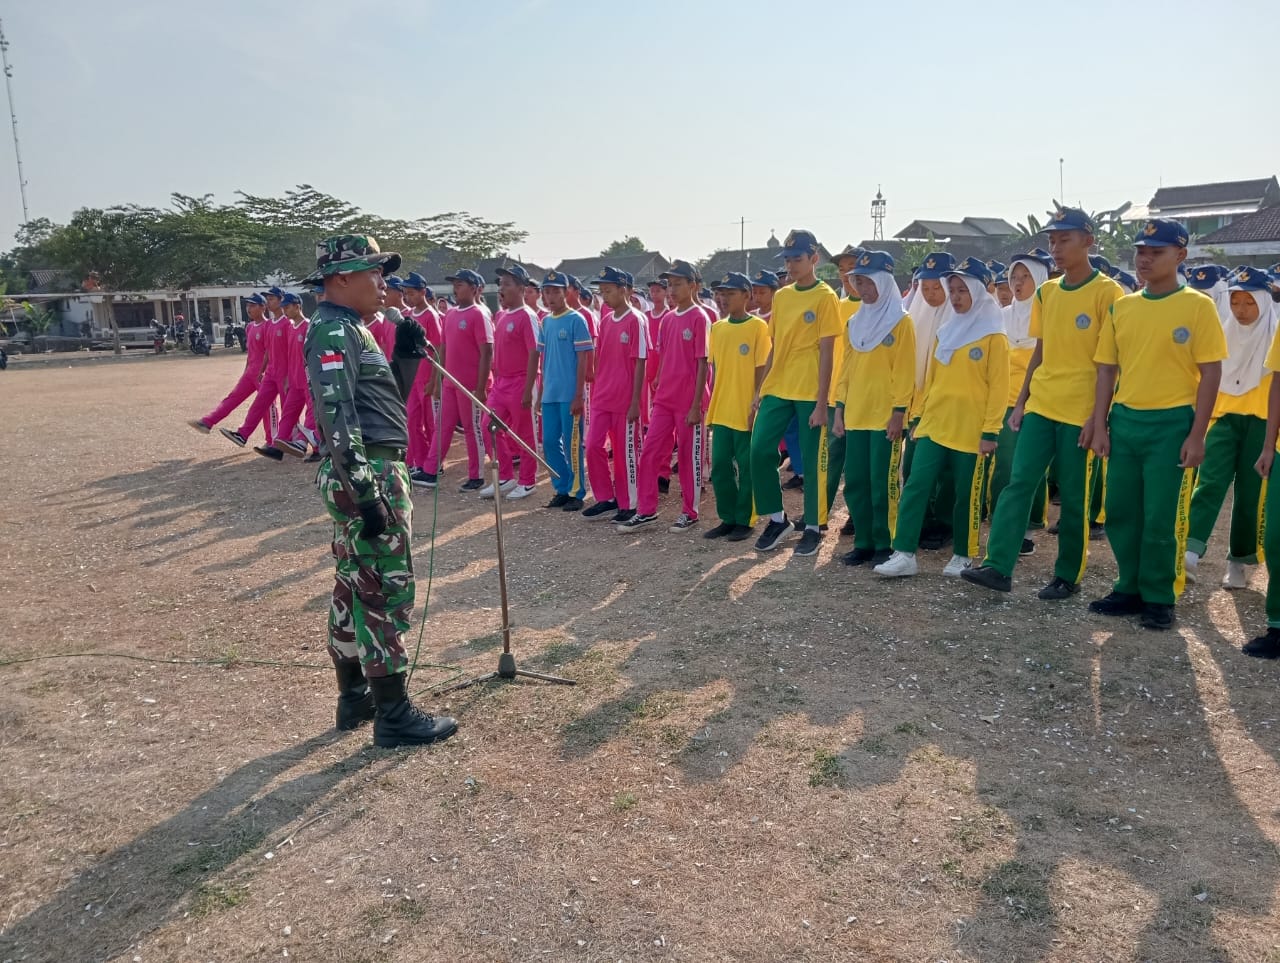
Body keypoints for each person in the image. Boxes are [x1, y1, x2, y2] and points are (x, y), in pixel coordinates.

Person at [302, 234, 456, 747]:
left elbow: (378, 407)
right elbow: (338, 417)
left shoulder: (350, 329)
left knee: (353, 584)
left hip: (369, 464)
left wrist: (407, 359)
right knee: (383, 591)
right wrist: (367, 492)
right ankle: (393, 713)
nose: (383, 283)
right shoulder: (332, 331)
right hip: (367, 471)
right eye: (374, 273)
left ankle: (355, 698)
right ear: (342, 278)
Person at [963, 210, 1123, 599]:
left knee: (1073, 494)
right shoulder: (1047, 293)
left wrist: (1098, 418)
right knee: (1018, 483)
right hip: (1042, 404)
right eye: (1052, 241)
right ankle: (998, 566)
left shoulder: (1109, 293)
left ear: (1089, 241)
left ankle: (1068, 574)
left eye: (1064, 240)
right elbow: (1041, 352)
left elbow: (1111, 364)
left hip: (1080, 411)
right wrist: (1021, 403)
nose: (1056, 248)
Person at [1088, 218, 1226, 631]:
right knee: (1121, 513)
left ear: (1180, 256)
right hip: (1126, 420)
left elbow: (1211, 373)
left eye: (1156, 252)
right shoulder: (1124, 307)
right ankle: (1128, 586)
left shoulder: (1197, 306)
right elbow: (1106, 371)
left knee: (1161, 517)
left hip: (1172, 424)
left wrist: (1197, 434)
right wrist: (1100, 425)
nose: (1145, 259)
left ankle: (1159, 596)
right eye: (1141, 252)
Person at [875, 257, 1008, 578]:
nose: (957, 296)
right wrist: (918, 417)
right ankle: (904, 552)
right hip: (934, 424)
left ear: (978, 292)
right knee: (917, 485)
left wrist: (990, 431)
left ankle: (963, 555)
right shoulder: (946, 332)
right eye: (954, 290)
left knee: (966, 495)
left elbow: (999, 390)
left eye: (963, 290)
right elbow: (932, 381)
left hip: (971, 430)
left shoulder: (994, 337)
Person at [745, 231, 840, 556]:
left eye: (797, 259)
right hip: (779, 386)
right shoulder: (782, 297)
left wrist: (822, 402)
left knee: (812, 461)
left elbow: (828, 351)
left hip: (810, 390)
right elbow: (775, 346)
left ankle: (813, 526)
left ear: (814, 258)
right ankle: (776, 517)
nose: (791, 265)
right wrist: (761, 388)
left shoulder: (826, 297)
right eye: (787, 260)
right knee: (758, 450)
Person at [1184, 266, 1277, 588]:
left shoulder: (1274, 335)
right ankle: (1190, 552)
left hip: (1263, 423)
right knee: (1209, 482)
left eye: (1249, 303)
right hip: (1223, 419)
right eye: (1236, 301)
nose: (1241, 310)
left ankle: (1239, 561)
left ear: (1264, 303)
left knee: (1251, 495)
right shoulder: (1221, 333)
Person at [831, 251, 916, 566]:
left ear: (884, 282)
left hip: (884, 418)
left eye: (869, 282)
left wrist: (898, 413)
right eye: (858, 282)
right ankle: (863, 541)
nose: (863, 289)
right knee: (855, 481)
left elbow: (905, 371)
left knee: (883, 483)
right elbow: (846, 371)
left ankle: (886, 541)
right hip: (855, 415)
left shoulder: (901, 322)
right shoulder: (854, 323)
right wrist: (839, 410)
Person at [622, 260, 712, 532]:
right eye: (669, 284)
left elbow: (702, 364)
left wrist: (697, 405)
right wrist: (659, 378)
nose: (672, 290)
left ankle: (690, 511)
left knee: (687, 457)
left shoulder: (700, 317)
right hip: (665, 399)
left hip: (688, 401)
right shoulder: (668, 319)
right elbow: (662, 354)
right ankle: (646, 510)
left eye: (678, 284)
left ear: (693, 286)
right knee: (649, 453)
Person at [986, 250, 1054, 548]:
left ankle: (1027, 528)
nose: (1018, 283)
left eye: (1025, 277)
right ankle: (1002, 522)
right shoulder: (1000, 317)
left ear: (1039, 280)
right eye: (1014, 276)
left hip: (1034, 404)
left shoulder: (1048, 318)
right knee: (1004, 464)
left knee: (1030, 468)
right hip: (1002, 402)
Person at [700, 272, 772, 541]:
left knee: (746, 465)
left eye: (731, 293)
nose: (724, 298)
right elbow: (716, 370)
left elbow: (761, 368)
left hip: (745, 409)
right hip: (722, 408)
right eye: (722, 293)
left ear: (746, 295)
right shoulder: (718, 328)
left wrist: (756, 403)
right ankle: (727, 517)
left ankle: (745, 518)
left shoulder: (757, 328)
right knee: (720, 465)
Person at [582, 266, 649, 522]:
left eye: (608, 291)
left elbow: (641, 361)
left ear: (624, 290)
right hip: (602, 397)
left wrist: (635, 403)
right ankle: (605, 497)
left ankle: (629, 502)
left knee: (624, 454)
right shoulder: (606, 320)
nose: (604, 296)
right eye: (602, 291)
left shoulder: (636, 320)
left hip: (625, 400)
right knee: (593, 447)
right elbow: (600, 359)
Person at [902, 253, 957, 550]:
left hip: (948, 403)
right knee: (913, 467)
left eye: (938, 287)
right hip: (917, 403)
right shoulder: (914, 316)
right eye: (926, 287)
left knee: (946, 469)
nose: (931, 294)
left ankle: (944, 523)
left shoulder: (961, 318)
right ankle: (920, 521)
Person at [420, 268, 493, 490]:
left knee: (473, 429)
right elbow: (443, 347)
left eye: (460, 284)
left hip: (470, 384)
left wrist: (480, 387)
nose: (455, 288)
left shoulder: (479, 314)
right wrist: (439, 379)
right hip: (450, 381)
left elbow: (487, 351)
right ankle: (430, 471)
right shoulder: (451, 314)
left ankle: (476, 474)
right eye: (455, 284)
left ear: (473, 288)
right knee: (443, 425)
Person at [483, 264, 541, 501]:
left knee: (524, 434)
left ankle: (527, 481)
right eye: (500, 284)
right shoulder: (502, 315)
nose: (501, 288)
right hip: (501, 384)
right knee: (489, 426)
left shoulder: (528, 316)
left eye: (507, 284)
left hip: (521, 382)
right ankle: (505, 476)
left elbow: (534, 353)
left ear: (521, 288)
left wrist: (529, 389)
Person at [538, 270, 594, 510]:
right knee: (549, 442)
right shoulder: (546, 322)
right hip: (550, 393)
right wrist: (540, 391)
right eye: (547, 292)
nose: (551, 297)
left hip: (570, 394)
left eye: (556, 292)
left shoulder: (576, 320)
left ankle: (576, 492)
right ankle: (561, 486)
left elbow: (583, 359)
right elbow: (544, 358)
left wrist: (578, 394)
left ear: (566, 293)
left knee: (573, 444)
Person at [192, 294, 270, 437]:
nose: (249, 309)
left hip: (263, 373)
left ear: (263, 307)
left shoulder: (268, 326)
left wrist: (264, 372)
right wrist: (246, 371)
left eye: (253, 305)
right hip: (250, 372)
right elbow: (251, 352)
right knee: (233, 397)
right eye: (248, 305)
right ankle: (208, 422)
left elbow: (269, 353)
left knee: (266, 406)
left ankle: (271, 440)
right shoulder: (250, 327)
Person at [828, 244, 863, 531]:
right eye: (841, 269)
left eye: (850, 268)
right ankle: (819, 511)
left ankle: (857, 513)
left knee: (857, 461)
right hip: (833, 395)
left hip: (862, 396)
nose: (845, 275)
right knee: (830, 457)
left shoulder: (877, 309)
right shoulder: (835, 307)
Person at [401, 272, 442, 487]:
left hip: (427, 377)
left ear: (423, 292)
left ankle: (433, 464)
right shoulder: (408, 315)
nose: (408, 297)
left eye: (412, 293)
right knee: (412, 420)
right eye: (406, 293)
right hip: (413, 377)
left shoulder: (430, 315)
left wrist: (434, 381)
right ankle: (420, 461)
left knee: (431, 422)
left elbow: (437, 349)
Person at [272, 293, 313, 457]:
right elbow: (289, 353)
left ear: (298, 306)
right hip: (295, 377)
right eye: (283, 308)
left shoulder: (309, 326)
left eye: (288, 307)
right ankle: (279, 443)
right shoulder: (290, 327)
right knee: (289, 410)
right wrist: (288, 376)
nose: (285, 311)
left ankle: (303, 443)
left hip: (308, 378)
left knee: (311, 411)